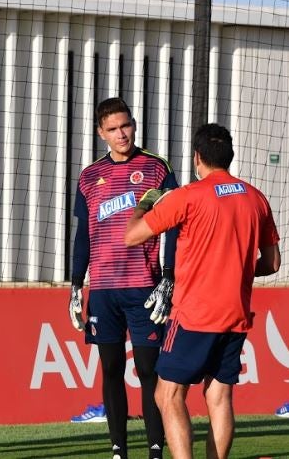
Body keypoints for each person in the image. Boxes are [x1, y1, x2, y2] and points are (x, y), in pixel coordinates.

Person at [125, 123, 281, 459]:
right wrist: (234, 268)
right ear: (230, 156)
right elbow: (273, 263)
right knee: (220, 397)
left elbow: (132, 236)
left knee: (166, 395)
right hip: (235, 315)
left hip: (195, 315)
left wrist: (145, 204)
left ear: (197, 158)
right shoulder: (256, 199)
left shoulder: (188, 196)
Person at [69, 97, 177, 459]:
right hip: (102, 289)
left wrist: (169, 276)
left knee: (149, 369)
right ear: (101, 133)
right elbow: (83, 234)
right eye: (113, 129)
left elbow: (175, 227)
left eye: (126, 125)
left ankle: (156, 446)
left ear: (134, 123)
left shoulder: (157, 168)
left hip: (144, 287)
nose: (121, 134)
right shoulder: (88, 177)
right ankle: (118, 448)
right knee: (111, 367)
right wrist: (74, 284)